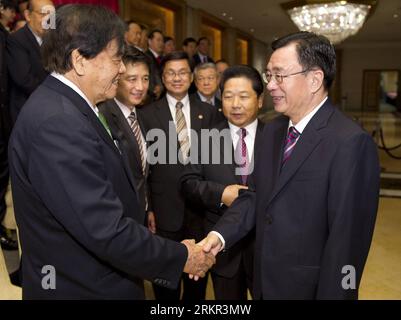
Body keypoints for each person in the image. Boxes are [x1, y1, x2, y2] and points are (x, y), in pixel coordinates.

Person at [8, 4, 214, 299]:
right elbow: (104, 229)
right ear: (80, 60)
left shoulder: (72, 107)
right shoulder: (58, 123)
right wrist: (181, 256)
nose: (121, 68)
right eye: (116, 58)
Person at [198, 31, 380, 299]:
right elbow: (255, 197)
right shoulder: (273, 131)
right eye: (269, 75)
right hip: (263, 283)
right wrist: (219, 236)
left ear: (315, 79)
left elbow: (347, 246)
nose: (270, 85)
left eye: (279, 75)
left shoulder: (350, 143)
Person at [139, 51, 220, 300]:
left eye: (182, 72)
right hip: (164, 211)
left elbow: (214, 163)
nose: (177, 78)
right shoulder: (147, 114)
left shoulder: (208, 113)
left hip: (200, 210)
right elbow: (145, 169)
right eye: (171, 73)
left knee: (197, 282)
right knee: (165, 282)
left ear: (191, 77)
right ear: (163, 78)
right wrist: (149, 208)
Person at [181, 65, 265, 299]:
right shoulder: (205, 138)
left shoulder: (276, 139)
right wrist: (221, 194)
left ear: (260, 100)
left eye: (244, 96)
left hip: (265, 248)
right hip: (223, 250)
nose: (235, 104)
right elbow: (188, 183)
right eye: (228, 96)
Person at [98, 47, 155, 233]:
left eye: (145, 79)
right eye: (132, 79)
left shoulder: (143, 117)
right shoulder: (103, 115)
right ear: (117, 78)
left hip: (139, 216)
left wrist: (148, 208)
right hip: (115, 221)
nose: (140, 87)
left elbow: (143, 173)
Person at [6, 0, 54, 123]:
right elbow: (24, 79)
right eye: (43, 14)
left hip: (51, 109)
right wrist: (54, 94)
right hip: (27, 109)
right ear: (28, 15)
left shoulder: (53, 40)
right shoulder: (17, 40)